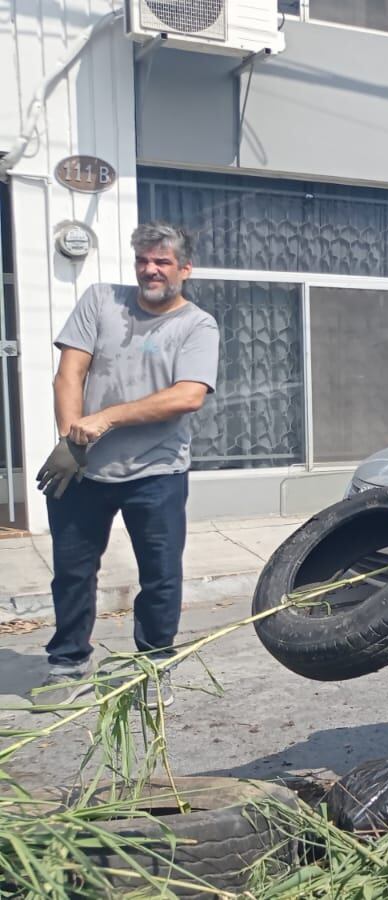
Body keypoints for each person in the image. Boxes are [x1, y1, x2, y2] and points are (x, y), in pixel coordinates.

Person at [34, 223, 220, 710]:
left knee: (159, 576)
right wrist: (71, 437)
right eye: (143, 260)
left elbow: (188, 396)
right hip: (85, 470)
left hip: (157, 473)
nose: (149, 270)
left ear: (184, 268)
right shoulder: (101, 301)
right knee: (72, 571)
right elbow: (69, 372)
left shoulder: (197, 325)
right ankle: (68, 661)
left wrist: (104, 419)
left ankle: (154, 668)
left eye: (161, 261)